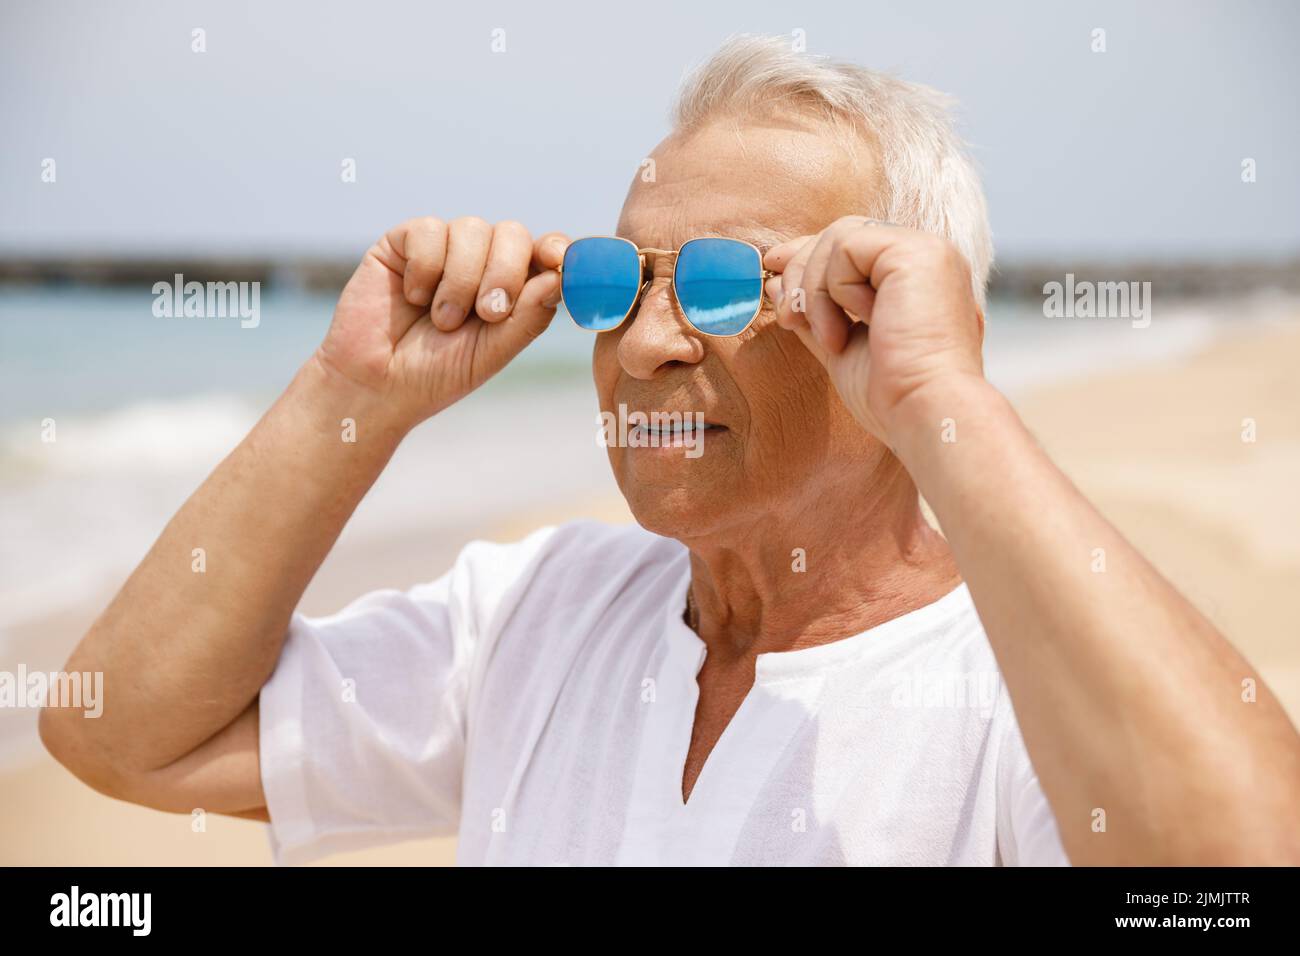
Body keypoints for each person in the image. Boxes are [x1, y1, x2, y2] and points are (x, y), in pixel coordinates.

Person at [40, 36, 1300, 865]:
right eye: (614, 275)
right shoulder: (536, 609)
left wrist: (943, 403)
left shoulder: (1021, 687)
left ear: (884, 307)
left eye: (717, 282)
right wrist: (347, 395)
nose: (641, 343)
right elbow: (121, 734)